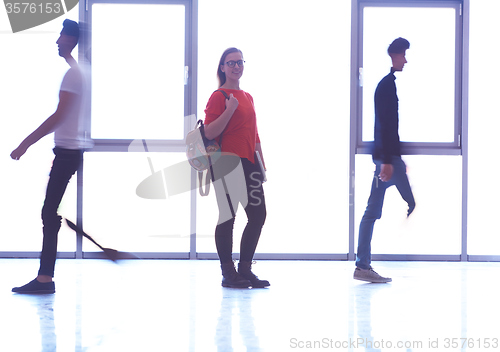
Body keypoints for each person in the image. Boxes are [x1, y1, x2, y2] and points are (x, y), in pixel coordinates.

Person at [11, 19, 92, 294]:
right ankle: (45, 276)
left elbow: (59, 115)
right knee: (50, 212)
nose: (58, 40)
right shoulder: (80, 71)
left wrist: (25, 144)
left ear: (72, 38)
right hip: (71, 150)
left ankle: (45, 279)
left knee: (49, 212)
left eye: (62, 36)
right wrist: (69, 57)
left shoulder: (74, 75)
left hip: (67, 151)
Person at [203, 47, 269, 288]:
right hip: (226, 163)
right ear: (222, 67)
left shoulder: (248, 97)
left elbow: (255, 133)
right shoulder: (218, 96)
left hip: (250, 162)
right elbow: (209, 131)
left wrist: (261, 162)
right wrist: (229, 110)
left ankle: (245, 269)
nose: (236, 66)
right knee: (228, 217)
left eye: (240, 62)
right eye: (231, 63)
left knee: (258, 215)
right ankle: (228, 273)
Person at [354, 37, 416, 283]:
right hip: (387, 161)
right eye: (404, 55)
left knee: (376, 210)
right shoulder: (386, 85)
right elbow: (384, 126)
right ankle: (362, 265)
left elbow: (389, 127)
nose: (406, 60)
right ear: (395, 54)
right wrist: (387, 162)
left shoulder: (388, 84)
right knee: (373, 211)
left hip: (390, 160)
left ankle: (363, 265)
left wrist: (393, 160)